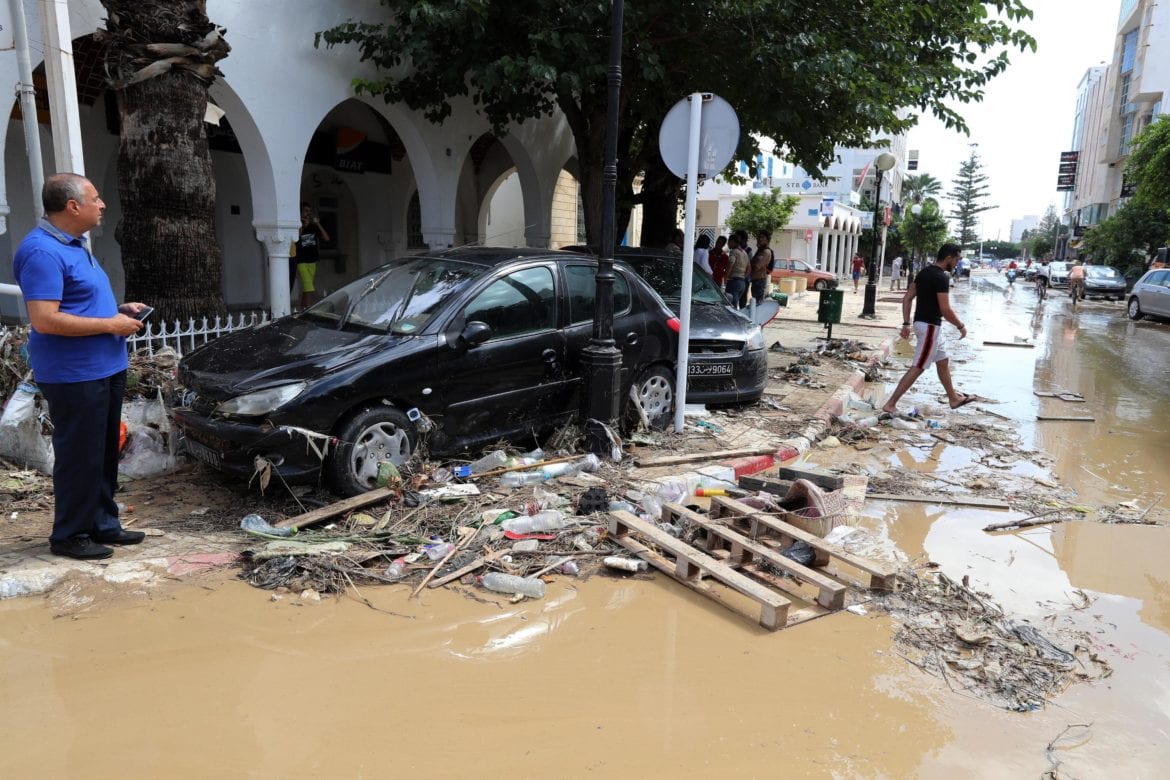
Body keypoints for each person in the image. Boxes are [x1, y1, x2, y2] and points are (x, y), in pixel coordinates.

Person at [12, 173, 148, 560]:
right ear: (73, 206)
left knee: (103, 452)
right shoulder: (41, 251)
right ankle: (70, 535)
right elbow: (45, 320)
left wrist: (118, 311)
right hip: (75, 374)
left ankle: (102, 522)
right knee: (79, 456)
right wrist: (110, 325)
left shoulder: (75, 244)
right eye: (95, 198)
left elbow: (76, 304)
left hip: (105, 366)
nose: (102, 204)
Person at [881, 243, 975, 415]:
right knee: (919, 366)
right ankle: (890, 404)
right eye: (957, 260)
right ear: (948, 258)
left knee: (942, 361)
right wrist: (960, 326)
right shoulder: (941, 278)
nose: (957, 264)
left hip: (925, 325)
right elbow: (945, 309)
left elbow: (907, 298)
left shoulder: (923, 273)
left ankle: (953, 398)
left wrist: (906, 323)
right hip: (930, 327)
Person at [295, 202, 330, 309]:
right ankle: (308, 309)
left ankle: (302, 309)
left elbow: (326, 238)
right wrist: (303, 226)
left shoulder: (313, 227)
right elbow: (296, 239)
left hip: (312, 260)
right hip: (301, 260)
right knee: (309, 287)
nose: (308, 214)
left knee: (307, 288)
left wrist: (318, 224)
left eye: (309, 211)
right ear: (300, 212)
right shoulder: (296, 226)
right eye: (306, 211)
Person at [724, 234, 750, 307]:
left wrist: (725, 277)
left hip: (734, 282)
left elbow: (730, 264)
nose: (727, 244)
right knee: (735, 304)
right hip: (742, 283)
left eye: (728, 241)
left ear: (732, 241)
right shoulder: (744, 252)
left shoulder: (734, 251)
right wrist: (743, 277)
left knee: (731, 306)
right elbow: (749, 268)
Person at [750, 231, 773, 305]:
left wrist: (750, 265)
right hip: (755, 280)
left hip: (760, 280)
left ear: (767, 240)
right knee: (755, 302)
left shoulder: (766, 252)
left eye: (762, 237)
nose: (760, 239)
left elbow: (756, 266)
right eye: (759, 237)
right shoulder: (760, 250)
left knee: (758, 303)